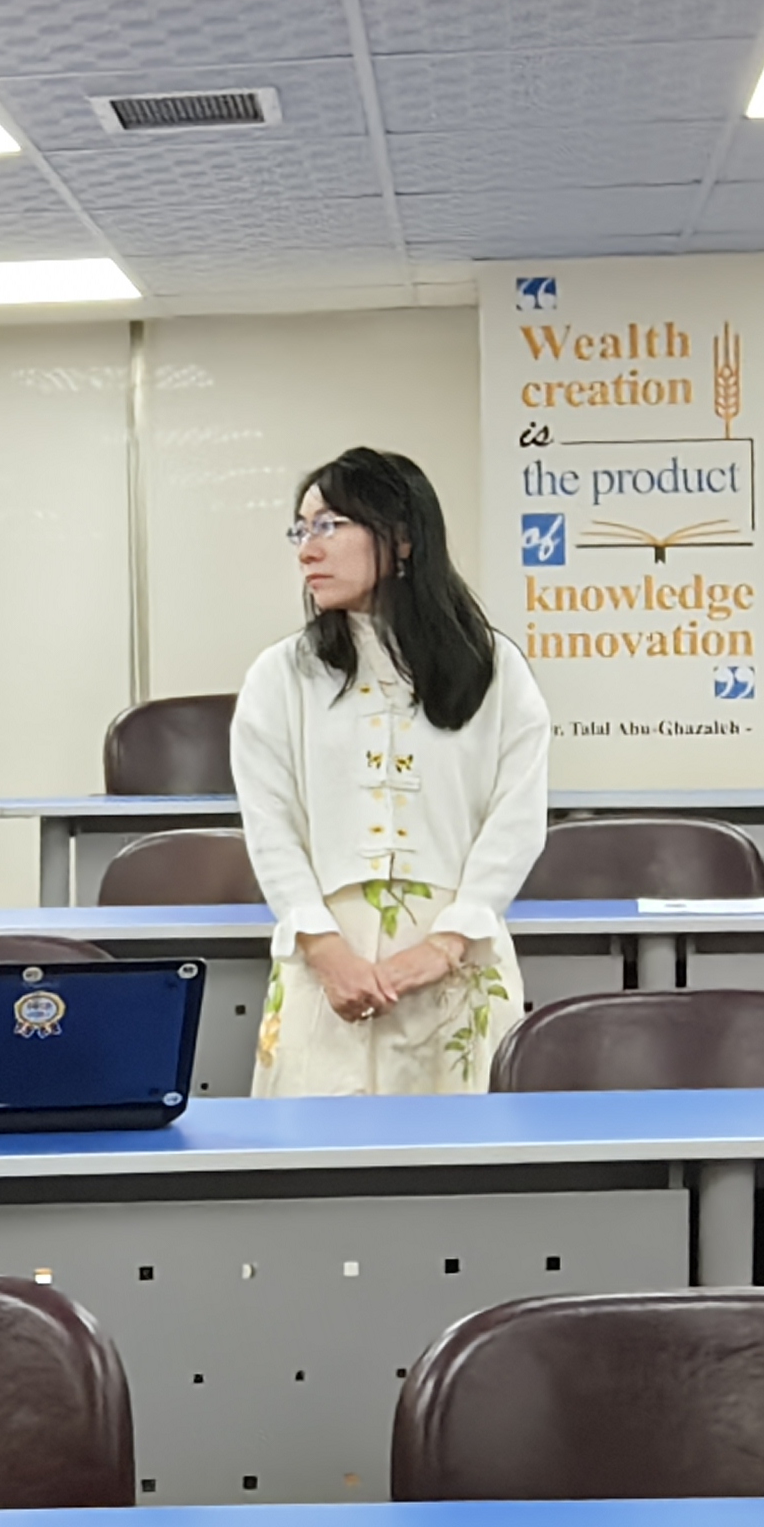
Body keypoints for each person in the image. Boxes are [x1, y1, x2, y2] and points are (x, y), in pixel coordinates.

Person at [232, 447, 551, 1096]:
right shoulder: (280, 676)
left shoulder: (495, 670)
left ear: (402, 538)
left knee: (459, 1148)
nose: (307, 550)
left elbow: (516, 819)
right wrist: (328, 954)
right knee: (317, 1148)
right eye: (301, 529)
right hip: (325, 961)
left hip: (456, 957)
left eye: (329, 526)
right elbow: (271, 828)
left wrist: (446, 944)